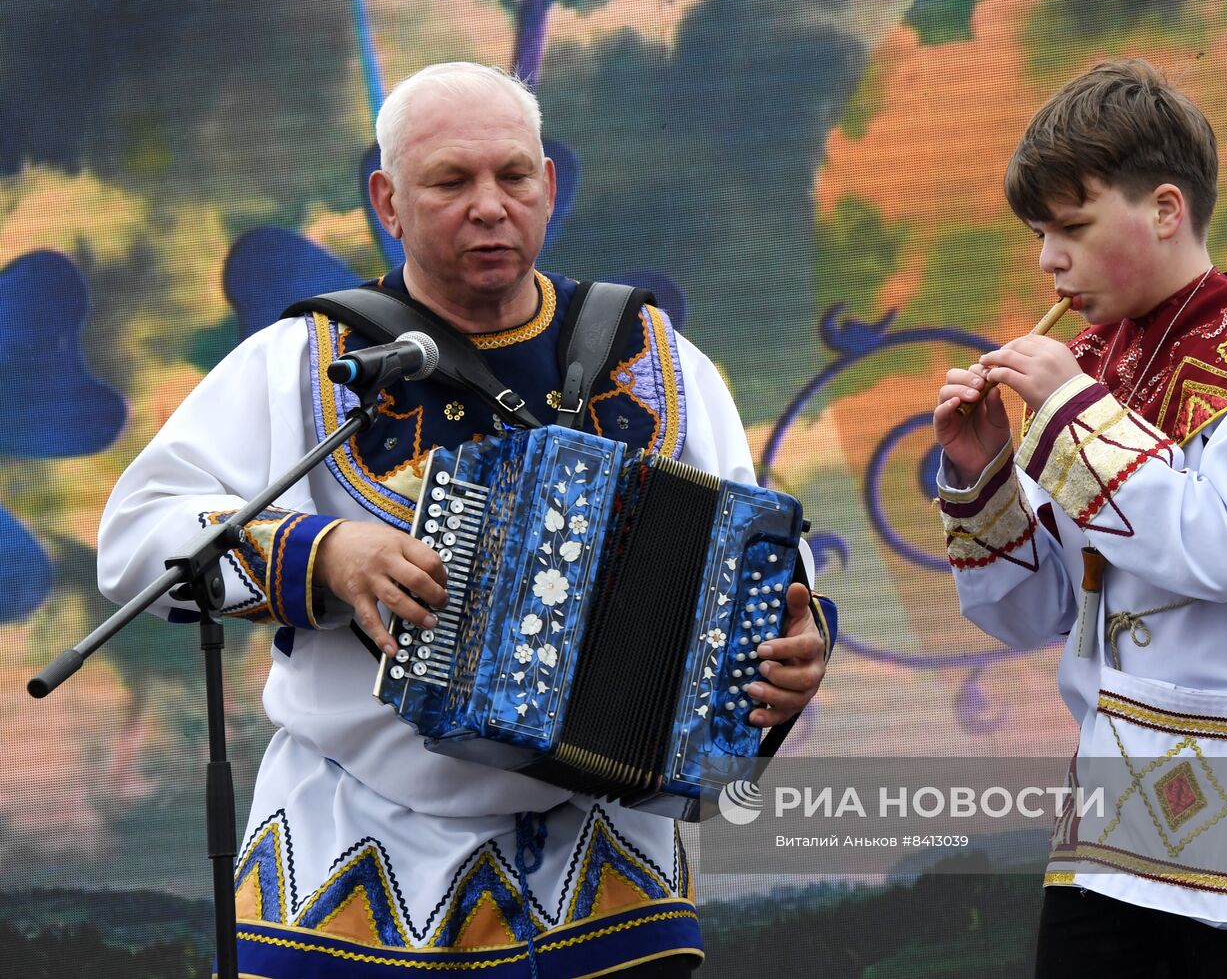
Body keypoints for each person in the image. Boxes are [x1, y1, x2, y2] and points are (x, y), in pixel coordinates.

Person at [97, 61, 832, 977]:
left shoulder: (660, 360)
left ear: (548, 187)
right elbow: (137, 539)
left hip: (609, 875)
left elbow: (768, 567)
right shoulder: (304, 361)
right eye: (451, 181)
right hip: (344, 866)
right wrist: (325, 557)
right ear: (388, 201)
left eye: (514, 176)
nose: (490, 205)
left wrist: (794, 645)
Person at [933, 59, 1227, 977]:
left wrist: (1074, 414)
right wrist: (979, 473)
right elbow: (1037, 612)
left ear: (1166, 210)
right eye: (1038, 233)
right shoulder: (1086, 367)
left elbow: (1226, 549)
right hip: (1110, 819)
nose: (1048, 261)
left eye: (1072, 227)